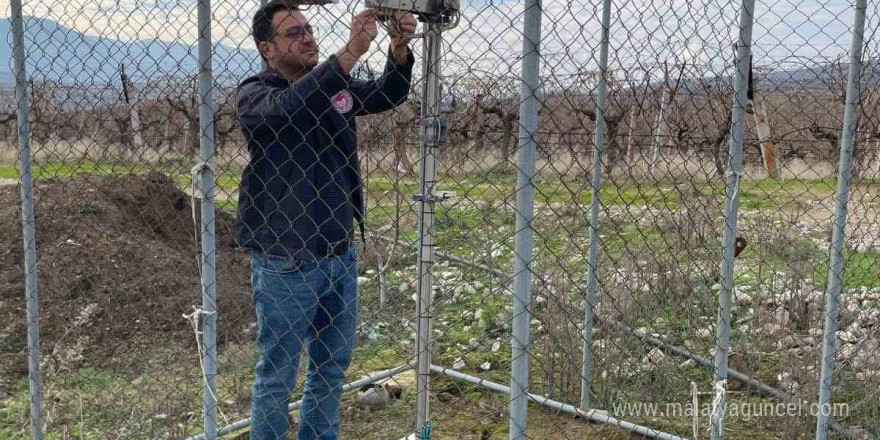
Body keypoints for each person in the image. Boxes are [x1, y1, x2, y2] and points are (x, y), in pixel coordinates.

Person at [234, 2, 416, 439]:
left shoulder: (336, 90)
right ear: (267, 47)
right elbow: (291, 108)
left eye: (309, 29)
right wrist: (350, 52)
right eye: (294, 32)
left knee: (331, 368)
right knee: (277, 376)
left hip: (338, 254)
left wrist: (399, 49)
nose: (308, 37)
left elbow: (387, 94)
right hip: (286, 259)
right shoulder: (256, 95)